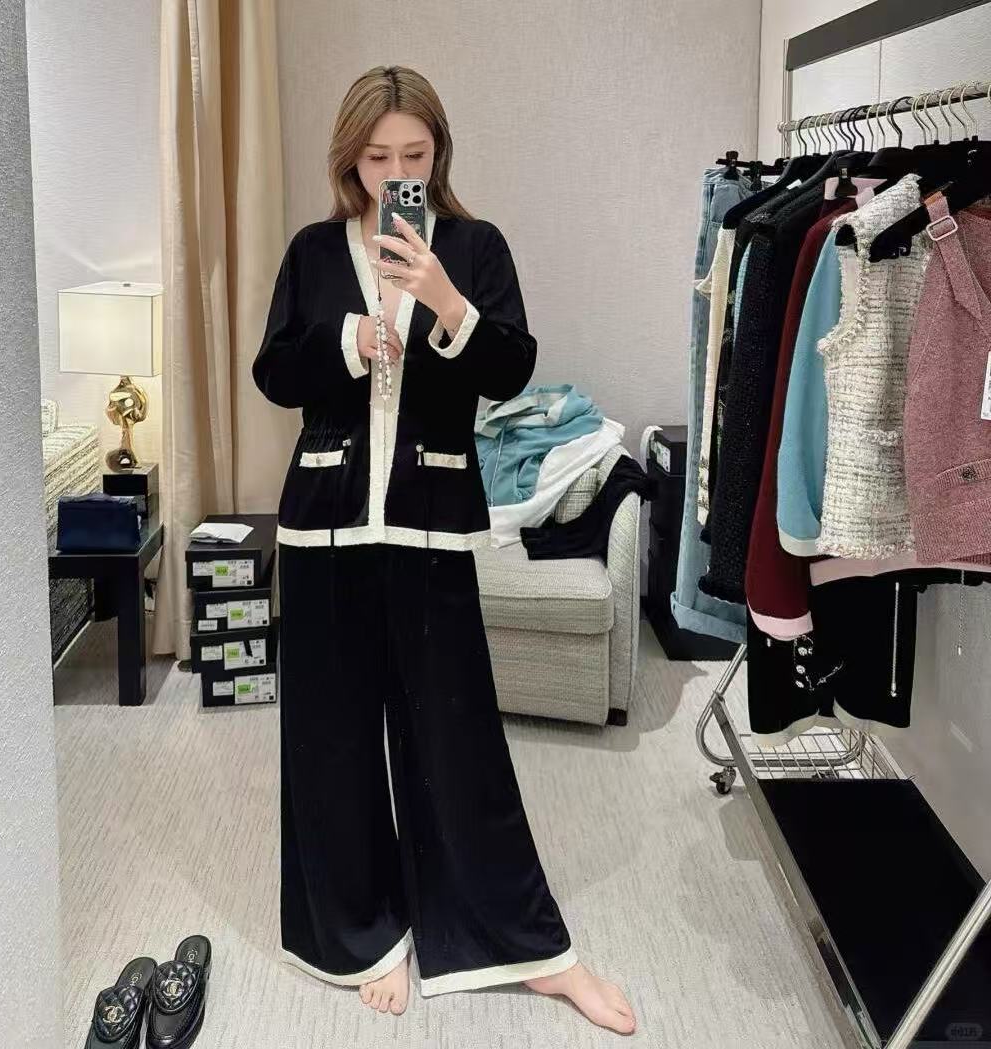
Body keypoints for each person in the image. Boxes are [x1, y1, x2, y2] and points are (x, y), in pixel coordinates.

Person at [251, 64, 636, 1035]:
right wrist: (350, 339)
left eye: (413, 155)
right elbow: (275, 371)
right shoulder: (311, 251)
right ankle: (364, 932)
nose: (395, 174)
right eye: (376, 157)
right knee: (332, 740)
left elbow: (512, 367)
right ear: (350, 159)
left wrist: (447, 303)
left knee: (456, 737)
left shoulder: (474, 245)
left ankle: (528, 946)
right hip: (325, 526)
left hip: (430, 524)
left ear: (439, 154)